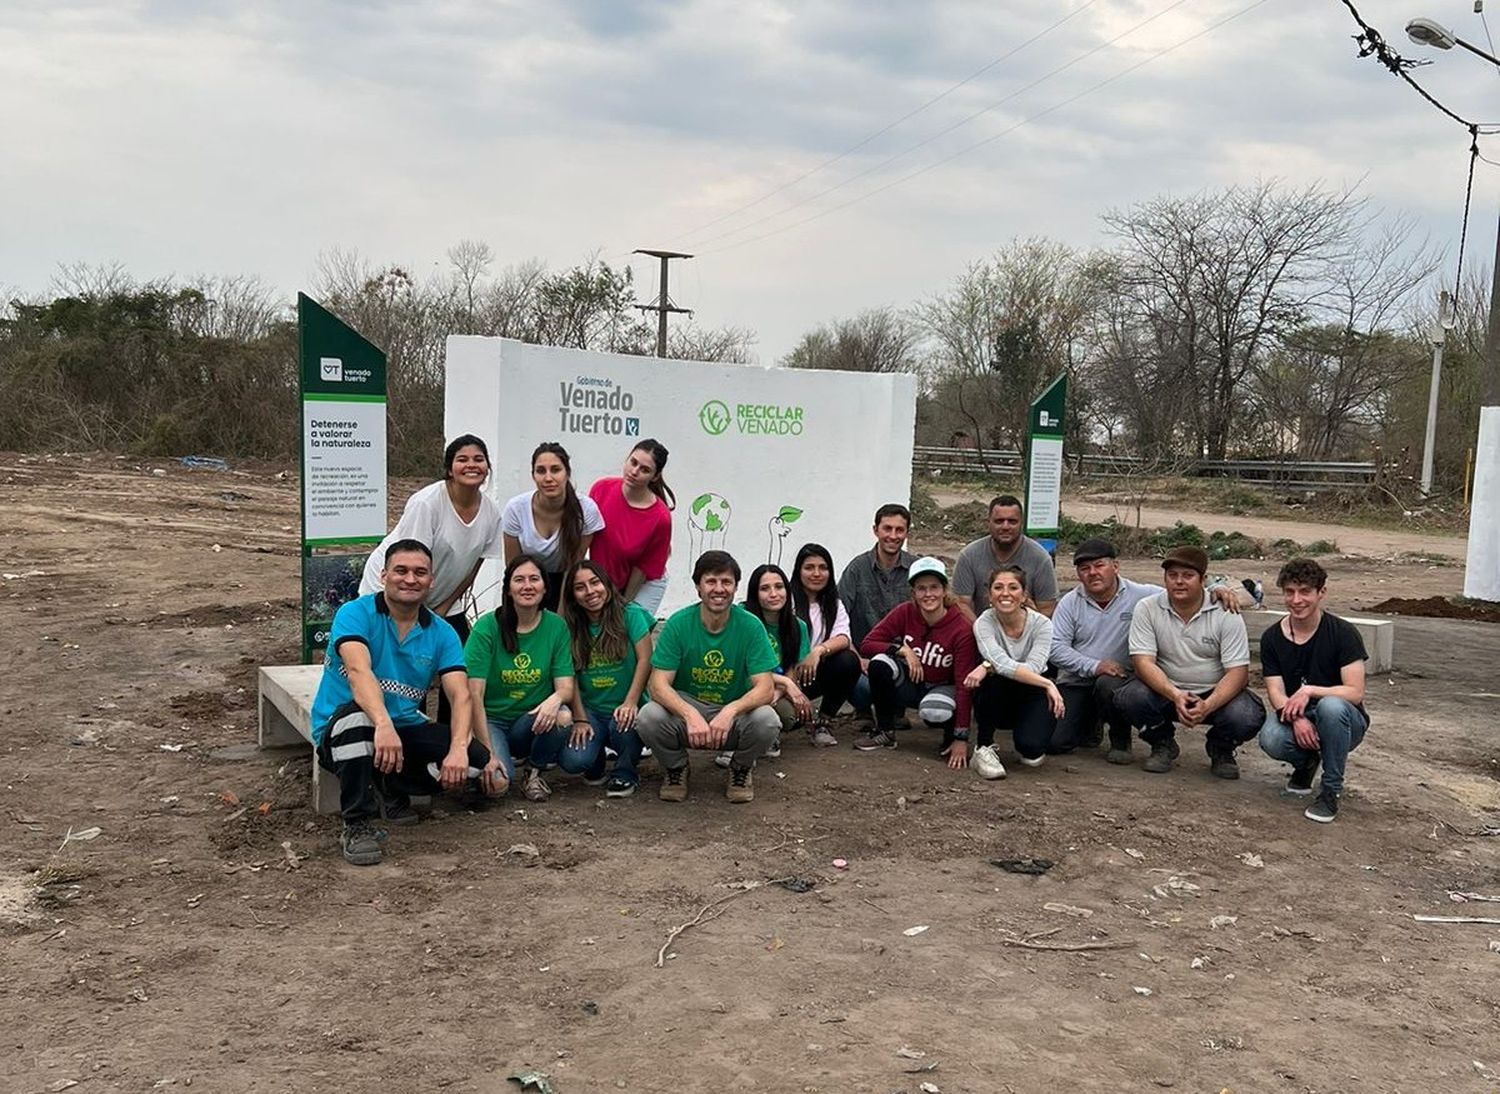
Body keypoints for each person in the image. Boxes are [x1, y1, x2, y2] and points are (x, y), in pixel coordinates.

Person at [312, 539, 493, 866]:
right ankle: (356, 823)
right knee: (359, 722)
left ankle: (389, 783)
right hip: (345, 728)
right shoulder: (355, 613)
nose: (410, 579)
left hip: (403, 728)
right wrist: (383, 724)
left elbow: (460, 694)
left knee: (475, 761)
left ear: (431, 581)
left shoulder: (441, 632)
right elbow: (357, 671)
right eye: (401, 571)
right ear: (383, 575)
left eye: (420, 572)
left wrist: (457, 746)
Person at [1050, 537, 1240, 763]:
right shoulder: (1070, 602)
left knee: (1113, 687)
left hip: (1120, 679)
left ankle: (1121, 738)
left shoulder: (1143, 595)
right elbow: (1055, 647)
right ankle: (1091, 722)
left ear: (1116, 566)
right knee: (1055, 743)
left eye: (1099, 565)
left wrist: (1215, 589)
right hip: (1078, 681)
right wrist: (1094, 666)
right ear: (1078, 574)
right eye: (1084, 568)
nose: (1093, 573)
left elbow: (1181, 589)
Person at [358, 434, 503, 723]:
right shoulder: (426, 503)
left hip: (444, 598)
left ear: (487, 467)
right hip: (397, 591)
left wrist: (443, 607)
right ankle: (406, 731)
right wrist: (420, 613)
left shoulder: (490, 512)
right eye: (462, 459)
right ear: (450, 468)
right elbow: (409, 564)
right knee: (407, 666)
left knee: (462, 665)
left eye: (478, 459)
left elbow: (474, 565)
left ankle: (452, 736)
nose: (471, 465)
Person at [635, 550, 780, 803]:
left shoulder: (751, 626)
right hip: (687, 708)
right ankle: (676, 768)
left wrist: (730, 711)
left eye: (726, 582)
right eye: (711, 581)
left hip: (732, 711)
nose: (719, 589)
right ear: (698, 587)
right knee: (648, 716)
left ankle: (741, 768)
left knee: (767, 720)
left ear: (736, 588)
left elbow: (765, 688)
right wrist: (689, 713)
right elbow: (658, 685)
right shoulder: (678, 624)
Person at [1116, 546, 1265, 777]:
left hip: (1214, 693)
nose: (1179, 582)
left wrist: (1208, 704)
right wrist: (1174, 694)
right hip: (1166, 691)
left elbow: (1238, 672)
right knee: (1129, 696)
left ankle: (1221, 748)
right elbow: (1143, 662)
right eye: (1172, 575)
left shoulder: (1226, 611)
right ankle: (1161, 742)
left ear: (1203, 579)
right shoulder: (1147, 608)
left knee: (1247, 714)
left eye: (1188, 576)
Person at [466, 553, 595, 802]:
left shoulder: (556, 626)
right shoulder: (487, 627)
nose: (527, 586)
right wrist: (489, 754)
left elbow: (566, 686)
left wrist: (555, 699)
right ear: (508, 589)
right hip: (493, 720)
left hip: (533, 719)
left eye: (534, 579)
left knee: (563, 715)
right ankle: (492, 761)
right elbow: (474, 695)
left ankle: (534, 771)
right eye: (519, 580)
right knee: (497, 786)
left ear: (545, 587)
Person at [1256, 558, 1370, 823]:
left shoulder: (1343, 633)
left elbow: (1355, 693)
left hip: (1344, 722)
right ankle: (1306, 763)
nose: (1297, 600)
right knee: (1271, 737)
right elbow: (1275, 692)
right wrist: (1297, 718)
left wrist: (1310, 691)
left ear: (1322, 592)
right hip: (1300, 717)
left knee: (1331, 706)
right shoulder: (1272, 638)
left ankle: (1331, 790)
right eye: (1289, 592)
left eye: (1305, 591)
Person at [855, 557, 979, 767]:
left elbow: (963, 684)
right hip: (912, 682)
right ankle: (885, 731)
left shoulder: (961, 627)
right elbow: (868, 644)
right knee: (879, 663)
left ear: (944, 590)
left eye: (934, 587)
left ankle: (949, 737)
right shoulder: (905, 612)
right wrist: (902, 650)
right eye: (921, 588)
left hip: (942, 687)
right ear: (913, 592)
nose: (928, 594)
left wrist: (961, 737)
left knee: (935, 712)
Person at [560, 560, 655, 798]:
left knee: (623, 726)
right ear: (573, 595)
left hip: (624, 705)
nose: (590, 592)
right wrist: (580, 719)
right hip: (591, 710)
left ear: (606, 584)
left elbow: (645, 660)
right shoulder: (569, 627)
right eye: (580, 587)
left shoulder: (631, 615)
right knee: (574, 761)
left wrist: (631, 702)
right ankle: (595, 761)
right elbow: (570, 677)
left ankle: (625, 772)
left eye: (595, 583)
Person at [966, 566, 1065, 779]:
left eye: (1013, 587)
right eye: (998, 587)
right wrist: (1049, 684)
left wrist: (986, 665)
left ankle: (1027, 733)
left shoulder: (1042, 624)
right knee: (991, 681)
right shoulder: (984, 622)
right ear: (989, 595)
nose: (1005, 593)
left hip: (1032, 689)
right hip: (1000, 689)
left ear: (1024, 594)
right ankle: (982, 748)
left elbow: (1035, 666)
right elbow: (999, 664)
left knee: (1032, 753)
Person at [502, 442, 604, 610]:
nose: (548, 478)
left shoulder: (586, 509)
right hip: (528, 582)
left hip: (566, 582)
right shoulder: (516, 508)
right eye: (541, 471)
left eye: (556, 470)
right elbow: (513, 568)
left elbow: (573, 565)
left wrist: (562, 613)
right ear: (533, 475)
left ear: (567, 473)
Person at [588, 439, 675, 616]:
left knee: (628, 628)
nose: (634, 472)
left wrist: (621, 605)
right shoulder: (601, 489)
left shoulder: (661, 517)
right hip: (604, 581)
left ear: (655, 476)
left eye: (645, 470)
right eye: (633, 462)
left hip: (643, 583)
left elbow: (643, 569)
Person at [736, 563, 813, 759]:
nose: (773, 594)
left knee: (789, 716)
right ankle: (736, 740)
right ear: (755, 593)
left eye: (779, 587)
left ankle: (767, 735)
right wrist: (786, 684)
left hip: (773, 686)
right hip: (743, 684)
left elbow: (791, 669)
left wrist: (776, 694)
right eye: (764, 588)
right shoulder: (743, 618)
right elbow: (744, 667)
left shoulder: (798, 626)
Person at [789, 543, 863, 747]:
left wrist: (818, 651)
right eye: (809, 567)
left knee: (848, 661)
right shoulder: (786, 602)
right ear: (798, 571)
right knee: (787, 719)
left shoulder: (833, 604)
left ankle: (823, 722)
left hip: (812, 674)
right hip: (784, 676)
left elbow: (844, 637)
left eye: (823, 568)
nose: (816, 573)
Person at [951, 495, 1060, 618]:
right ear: (989, 523)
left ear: (1021, 523)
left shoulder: (1040, 558)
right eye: (999, 521)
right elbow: (961, 604)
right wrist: (981, 631)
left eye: (1012, 521)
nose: (1005, 527)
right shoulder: (969, 556)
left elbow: (1047, 608)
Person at [839, 504, 918, 647]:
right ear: (875, 530)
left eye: (899, 530)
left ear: (907, 533)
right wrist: (855, 656)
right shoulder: (857, 569)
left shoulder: (917, 569)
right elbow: (838, 616)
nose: (893, 536)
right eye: (887, 529)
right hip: (863, 653)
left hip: (908, 655)